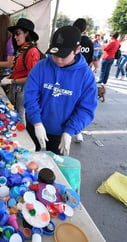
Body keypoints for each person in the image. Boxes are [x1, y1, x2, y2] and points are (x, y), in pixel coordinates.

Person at [24, 25, 98, 156]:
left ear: (77, 50)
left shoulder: (86, 76)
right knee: (27, 159)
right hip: (35, 125)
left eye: (63, 55)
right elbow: (30, 96)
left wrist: (70, 131)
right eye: (55, 54)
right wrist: (36, 121)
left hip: (61, 132)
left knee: (54, 167)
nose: (58, 58)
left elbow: (86, 109)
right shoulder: (41, 67)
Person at [0, 18, 42, 125]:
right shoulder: (22, 49)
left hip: (23, 91)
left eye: (18, 34)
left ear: (27, 33)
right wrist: (10, 77)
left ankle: (22, 140)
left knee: (20, 116)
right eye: (14, 34)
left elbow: (32, 78)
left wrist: (12, 81)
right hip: (16, 89)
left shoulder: (32, 52)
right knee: (13, 114)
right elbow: (18, 69)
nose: (15, 37)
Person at [72, 18, 94, 143]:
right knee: (79, 104)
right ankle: (78, 131)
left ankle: (73, 130)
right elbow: (91, 59)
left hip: (72, 75)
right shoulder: (88, 42)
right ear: (85, 29)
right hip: (83, 75)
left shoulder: (72, 39)